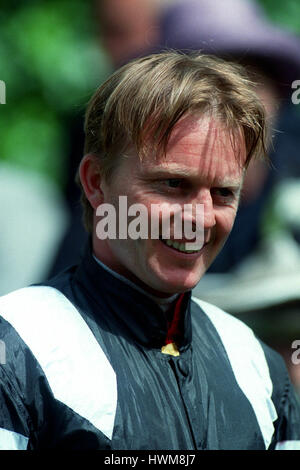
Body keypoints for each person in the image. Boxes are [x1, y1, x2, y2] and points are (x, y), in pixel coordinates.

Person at [0, 51, 299, 450]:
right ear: (95, 182)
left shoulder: (256, 365)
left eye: (224, 193)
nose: (202, 218)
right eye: (173, 184)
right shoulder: (19, 344)